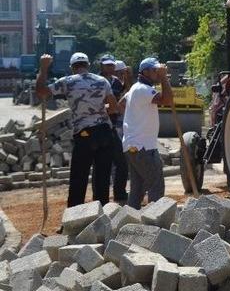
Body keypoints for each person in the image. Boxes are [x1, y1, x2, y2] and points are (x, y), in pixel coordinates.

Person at [36, 53, 118, 207]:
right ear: (87, 65)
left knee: (78, 178)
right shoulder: (102, 81)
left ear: (72, 67)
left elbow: (41, 92)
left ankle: (74, 218)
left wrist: (43, 68)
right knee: (102, 178)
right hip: (105, 133)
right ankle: (101, 218)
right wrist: (97, 111)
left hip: (84, 134)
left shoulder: (67, 82)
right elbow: (113, 108)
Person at [122, 58, 174, 209]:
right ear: (145, 72)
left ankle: (130, 219)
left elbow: (119, 106)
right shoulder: (143, 89)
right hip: (143, 147)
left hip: (132, 146)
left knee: (137, 189)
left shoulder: (134, 89)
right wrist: (165, 78)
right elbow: (168, 99)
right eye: (155, 71)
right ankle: (156, 221)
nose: (158, 74)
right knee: (156, 183)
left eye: (159, 71)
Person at [99, 54, 128, 203]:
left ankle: (120, 195)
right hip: (100, 125)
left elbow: (124, 94)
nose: (110, 68)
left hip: (113, 125)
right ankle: (101, 199)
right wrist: (110, 107)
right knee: (102, 164)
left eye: (112, 65)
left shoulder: (116, 82)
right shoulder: (97, 82)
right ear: (101, 66)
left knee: (121, 162)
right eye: (107, 65)